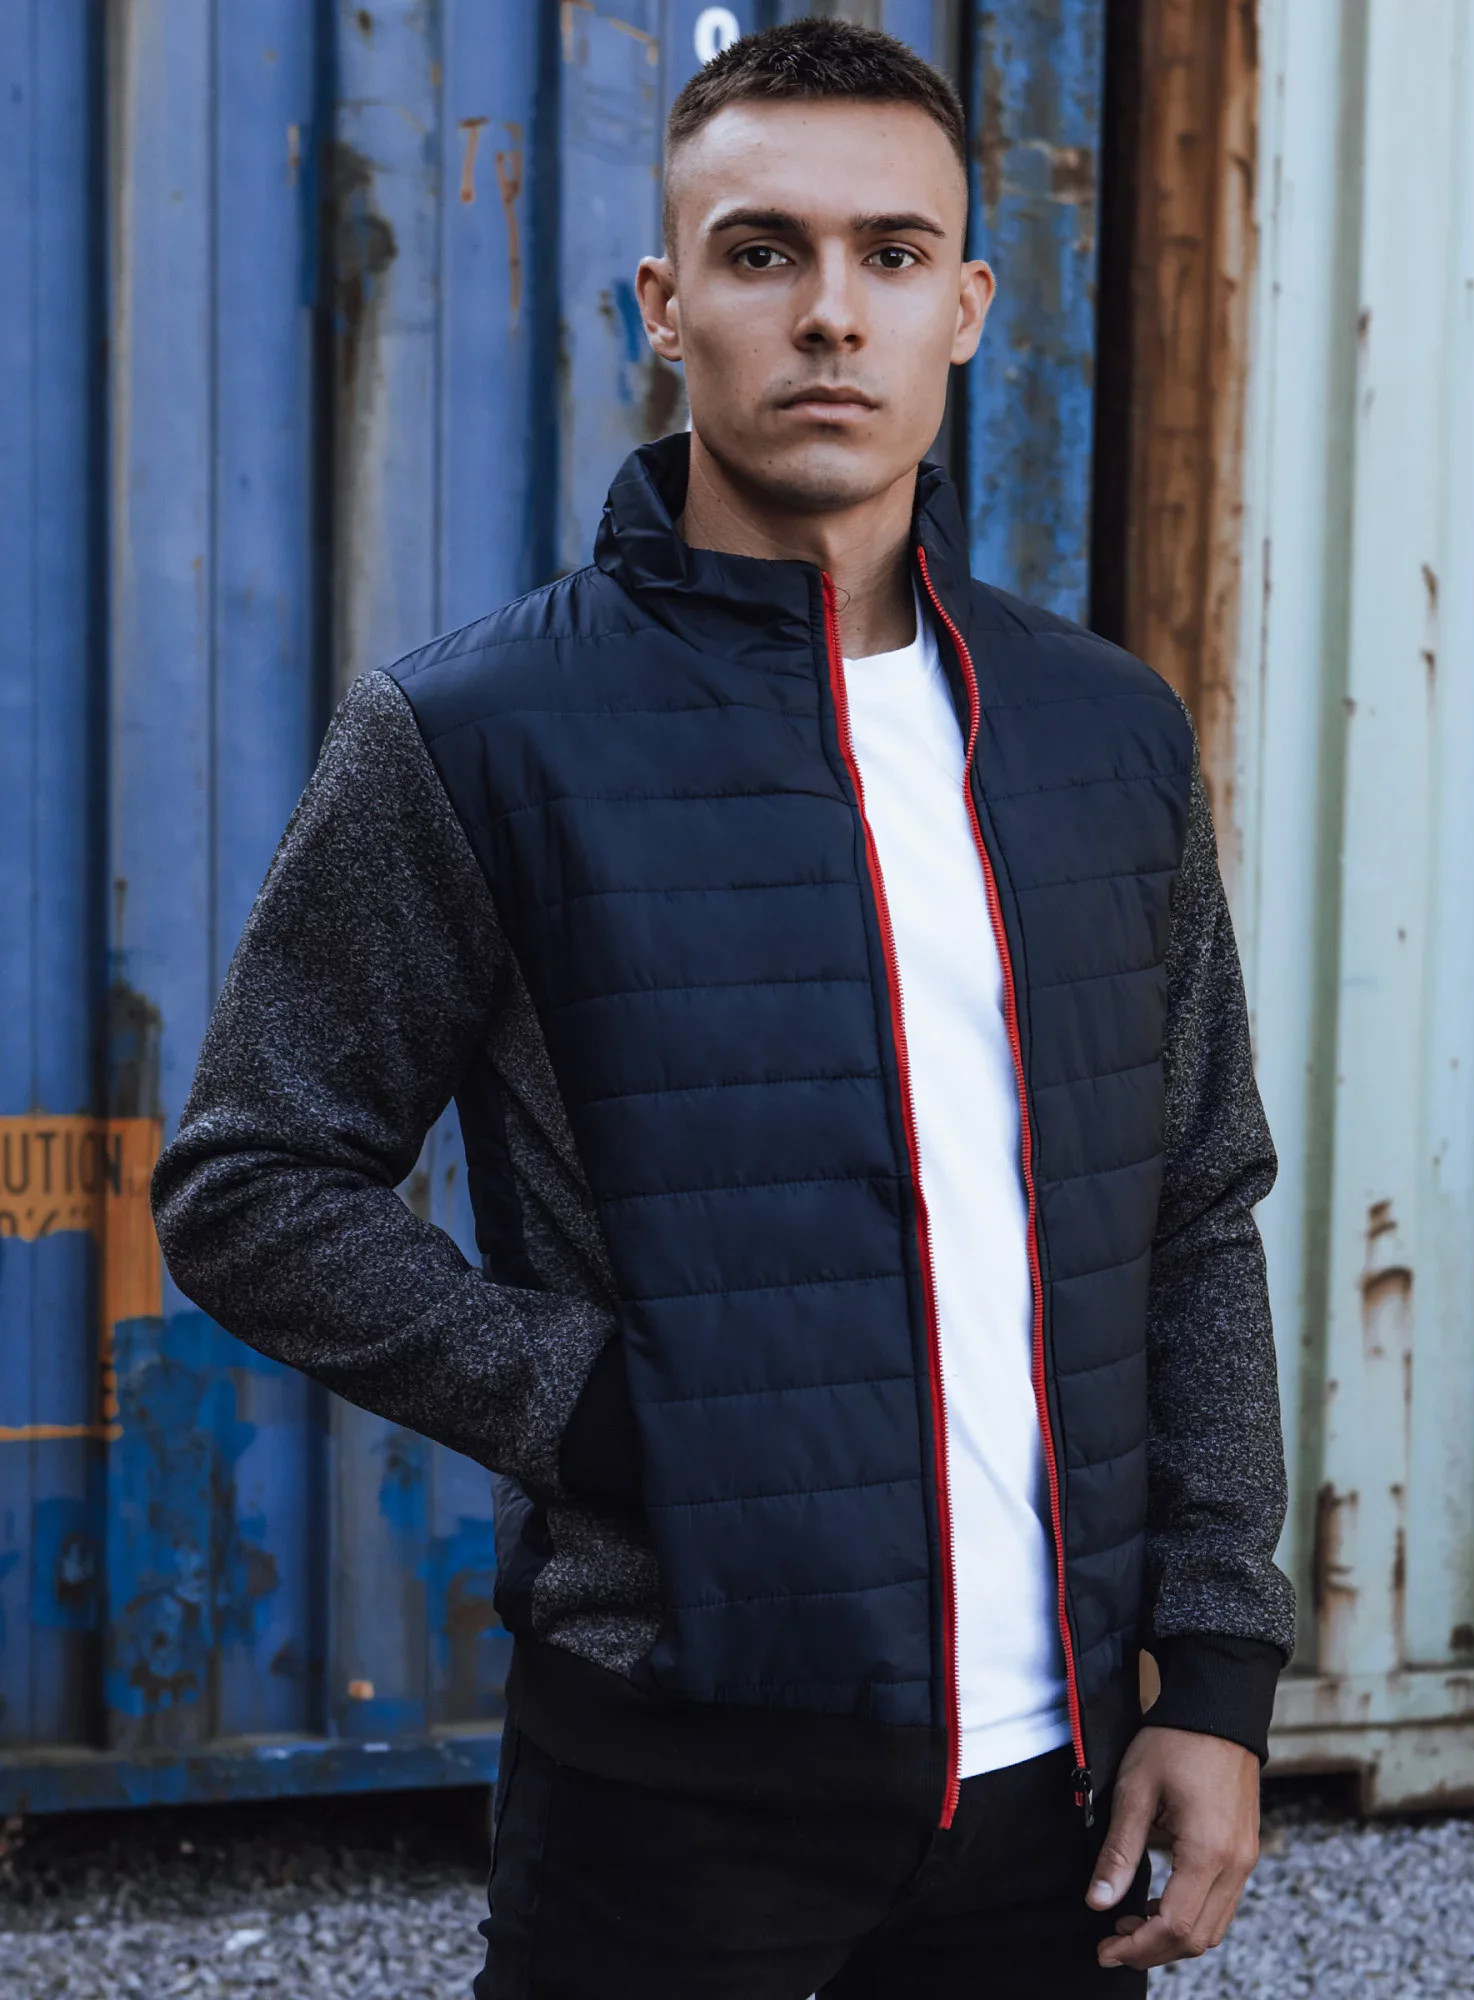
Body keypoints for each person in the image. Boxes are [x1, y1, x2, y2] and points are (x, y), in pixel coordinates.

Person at [152, 18, 1294, 1996]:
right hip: (669, 1781)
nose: (831, 313)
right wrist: (613, 1412)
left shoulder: (1104, 734)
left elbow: (1195, 1207)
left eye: (891, 255)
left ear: (967, 308)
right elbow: (251, 1183)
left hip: (1057, 1786)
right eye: (765, 253)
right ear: (666, 304)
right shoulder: (480, 731)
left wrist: (1215, 1674)